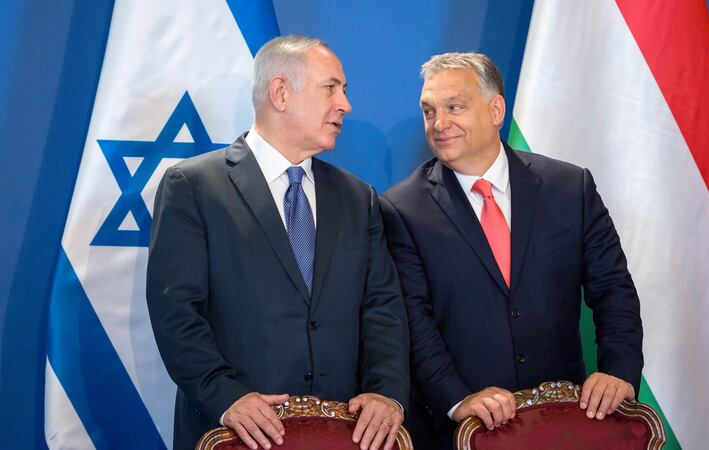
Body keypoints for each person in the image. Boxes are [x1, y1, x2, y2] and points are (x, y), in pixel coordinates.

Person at [147, 35, 409, 450]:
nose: (345, 104)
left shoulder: (358, 197)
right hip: (235, 434)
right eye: (331, 88)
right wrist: (226, 396)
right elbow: (176, 311)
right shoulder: (194, 187)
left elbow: (382, 306)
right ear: (281, 93)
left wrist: (386, 390)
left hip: (345, 432)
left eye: (344, 91)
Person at [380, 52, 643, 449]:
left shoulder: (571, 188)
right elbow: (413, 322)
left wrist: (620, 371)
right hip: (460, 431)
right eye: (429, 110)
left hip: (569, 421)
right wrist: (457, 400)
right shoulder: (401, 209)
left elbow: (614, 289)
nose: (439, 123)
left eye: (455, 107)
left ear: (496, 109)